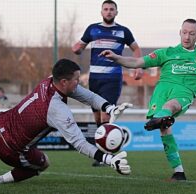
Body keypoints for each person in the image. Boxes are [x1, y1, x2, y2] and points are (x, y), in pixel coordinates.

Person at [0, 58, 132, 184]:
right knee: (43, 163)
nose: (79, 83)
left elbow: (87, 96)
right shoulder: (57, 109)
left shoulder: (49, 81)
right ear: (63, 82)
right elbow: (79, 143)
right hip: (12, 149)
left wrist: (109, 107)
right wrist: (109, 159)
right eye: (76, 80)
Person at [100, 18, 196, 181]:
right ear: (179, 32)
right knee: (164, 128)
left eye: (192, 34)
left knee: (170, 107)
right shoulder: (166, 53)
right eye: (184, 32)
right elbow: (137, 62)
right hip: (161, 92)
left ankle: (160, 118)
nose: (187, 37)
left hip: (184, 93)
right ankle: (179, 172)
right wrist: (115, 58)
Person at [72, 0, 142, 166]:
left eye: (112, 9)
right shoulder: (92, 29)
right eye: (106, 9)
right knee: (97, 116)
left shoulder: (123, 31)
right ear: (101, 12)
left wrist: (139, 67)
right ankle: (103, 150)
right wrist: (77, 48)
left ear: (116, 12)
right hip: (94, 79)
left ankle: (104, 155)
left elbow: (136, 49)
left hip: (113, 78)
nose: (109, 12)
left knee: (105, 114)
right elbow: (80, 46)